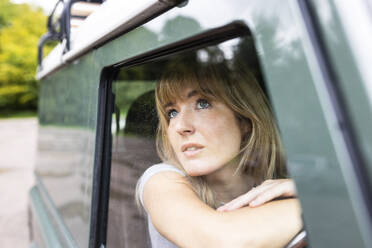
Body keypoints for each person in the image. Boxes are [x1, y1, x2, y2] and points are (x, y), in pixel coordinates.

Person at [136, 61, 303, 248]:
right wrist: (315, 206)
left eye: (203, 103)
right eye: (172, 113)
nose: (181, 126)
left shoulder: (277, 185)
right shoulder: (161, 180)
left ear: (244, 120)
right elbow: (221, 242)